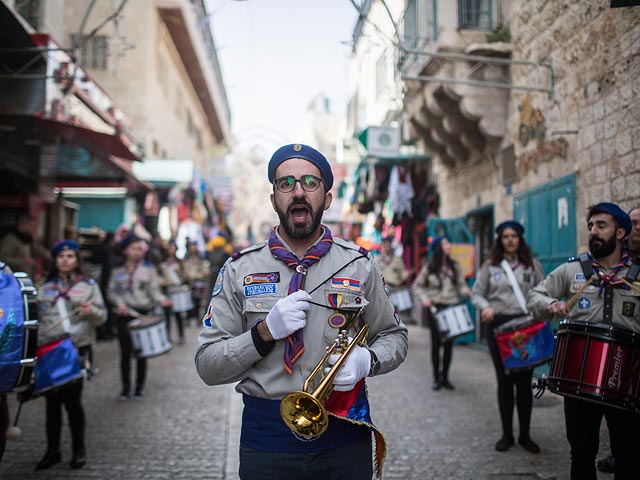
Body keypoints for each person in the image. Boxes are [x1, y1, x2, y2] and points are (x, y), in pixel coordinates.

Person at [195, 143, 408, 480]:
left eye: (310, 183)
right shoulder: (239, 269)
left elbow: (394, 336)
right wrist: (262, 334)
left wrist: (369, 360)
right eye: (285, 183)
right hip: (267, 438)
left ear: (326, 198)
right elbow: (207, 365)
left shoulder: (360, 265)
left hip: (343, 430)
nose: (297, 192)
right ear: (274, 199)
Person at [527, 203, 640, 480]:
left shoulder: (636, 275)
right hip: (578, 379)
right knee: (581, 453)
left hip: (625, 379)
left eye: (602, 225)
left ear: (621, 232)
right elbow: (534, 297)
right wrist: (551, 304)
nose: (594, 231)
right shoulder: (573, 270)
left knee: (628, 455)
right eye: (591, 226)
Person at [471, 220, 545, 453]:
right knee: (504, 382)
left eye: (514, 236)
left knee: (524, 383)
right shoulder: (490, 267)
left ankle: (525, 434)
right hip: (499, 327)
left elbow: (542, 290)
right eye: (505, 236)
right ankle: (507, 434)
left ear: (520, 239)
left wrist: (541, 308)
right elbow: (477, 293)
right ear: (500, 240)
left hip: (525, 326)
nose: (510, 240)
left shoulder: (531, 265)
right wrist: (485, 307)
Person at [34, 240, 107, 470]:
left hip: (77, 350)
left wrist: (91, 311)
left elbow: (102, 317)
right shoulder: (43, 288)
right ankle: (52, 450)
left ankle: (78, 450)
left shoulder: (88, 286)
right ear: (54, 260)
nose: (65, 260)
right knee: (51, 403)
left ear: (77, 260)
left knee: (73, 402)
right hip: (49, 352)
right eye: (61, 256)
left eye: (70, 256)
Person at [107, 234, 171, 400]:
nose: (138, 252)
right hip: (124, 316)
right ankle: (125, 388)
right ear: (125, 250)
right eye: (134, 248)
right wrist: (119, 304)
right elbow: (111, 291)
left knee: (142, 353)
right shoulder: (117, 271)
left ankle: (139, 388)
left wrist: (162, 300)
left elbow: (154, 291)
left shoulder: (148, 269)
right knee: (125, 353)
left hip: (143, 314)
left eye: (139, 249)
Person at [412, 236, 471, 390]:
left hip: (451, 306)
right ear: (438, 248)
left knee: (449, 344)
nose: (449, 246)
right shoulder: (429, 267)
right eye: (445, 243)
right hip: (435, 309)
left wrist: (466, 291)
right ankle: (436, 378)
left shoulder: (455, 266)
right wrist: (425, 299)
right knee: (436, 344)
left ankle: (445, 377)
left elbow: (461, 284)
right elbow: (417, 286)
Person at [0, 211, 50, 280]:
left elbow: (35, 248)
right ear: (22, 224)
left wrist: (47, 254)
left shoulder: (27, 237)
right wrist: (23, 261)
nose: (33, 228)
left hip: (26, 277)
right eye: (31, 225)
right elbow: (3, 259)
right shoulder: (10, 240)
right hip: (13, 278)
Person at [157, 241, 186, 344]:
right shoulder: (162, 263)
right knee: (167, 316)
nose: (171, 250)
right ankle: (167, 338)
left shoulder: (179, 262)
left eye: (173, 248)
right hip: (167, 292)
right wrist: (162, 282)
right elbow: (158, 276)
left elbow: (184, 274)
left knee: (178, 315)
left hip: (177, 291)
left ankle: (181, 336)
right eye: (170, 248)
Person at [183, 239, 211, 323]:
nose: (193, 248)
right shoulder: (187, 257)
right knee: (190, 300)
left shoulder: (200, 257)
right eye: (192, 246)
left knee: (198, 301)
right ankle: (191, 317)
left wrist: (201, 275)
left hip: (199, 281)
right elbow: (184, 268)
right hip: (190, 281)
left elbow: (205, 267)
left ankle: (198, 317)